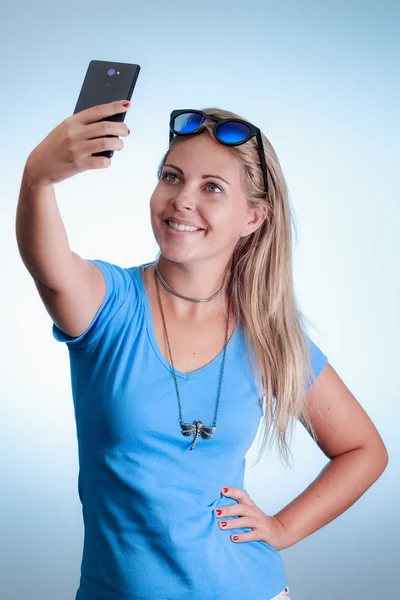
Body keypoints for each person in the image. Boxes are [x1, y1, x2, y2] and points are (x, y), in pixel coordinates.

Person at [16, 100, 388, 600]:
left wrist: (281, 529)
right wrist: (38, 178)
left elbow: (364, 451)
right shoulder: (111, 305)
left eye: (212, 187)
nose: (182, 199)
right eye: (171, 177)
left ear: (253, 217)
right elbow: (49, 265)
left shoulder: (270, 338)